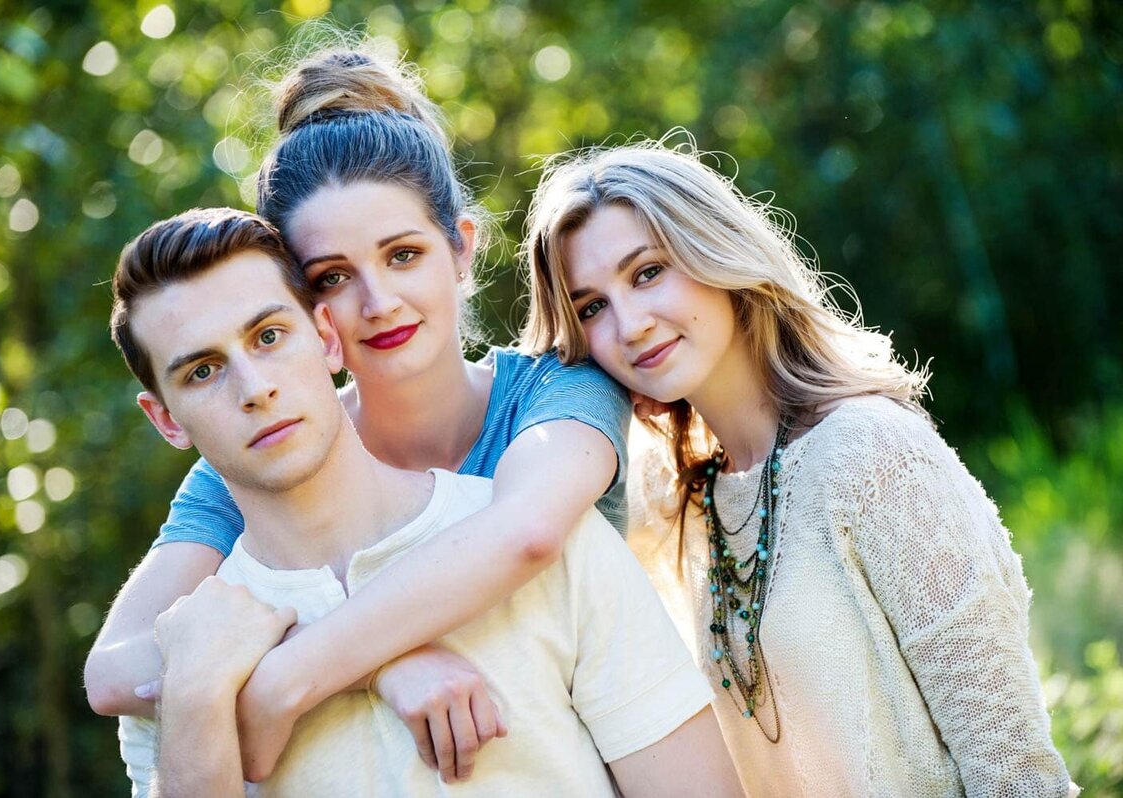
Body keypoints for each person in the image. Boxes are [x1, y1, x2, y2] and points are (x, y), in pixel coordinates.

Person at [84, 45, 634, 781]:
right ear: (306, 312)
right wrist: (382, 662)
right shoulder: (272, 456)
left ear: (462, 249)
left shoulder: (555, 395)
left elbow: (528, 534)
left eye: (403, 255)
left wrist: (285, 678)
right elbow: (113, 673)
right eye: (334, 276)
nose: (379, 304)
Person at [107, 207, 739, 796]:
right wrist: (196, 692)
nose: (254, 388)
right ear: (166, 420)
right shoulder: (190, 653)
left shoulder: (549, 536)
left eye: (269, 337)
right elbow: (109, 675)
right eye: (202, 372)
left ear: (328, 338)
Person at [520, 139, 1077, 797]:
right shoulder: (678, 504)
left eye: (647, 273)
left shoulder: (873, 456)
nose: (631, 324)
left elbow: (1014, 770)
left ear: (714, 250)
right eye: (592, 308)